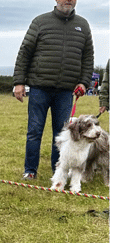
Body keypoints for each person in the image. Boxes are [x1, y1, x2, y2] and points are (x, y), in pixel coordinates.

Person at [13, 0, 94, 180]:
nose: (68, 0)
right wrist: (19, 82)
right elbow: (25, 52)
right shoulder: (40, 22)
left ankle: (58, 170)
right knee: (34, 131)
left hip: (66, 91)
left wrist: (84, 82)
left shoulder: (83, 25)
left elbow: (88, 57)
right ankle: (30, 171)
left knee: (62, 134)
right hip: (39, 87)